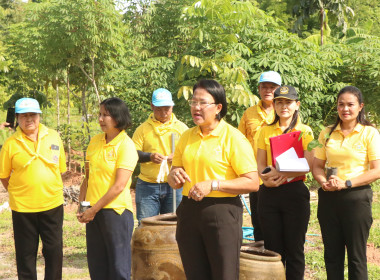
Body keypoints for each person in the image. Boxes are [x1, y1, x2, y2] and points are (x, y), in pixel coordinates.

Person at [168, 79, 259, 280]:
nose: (196, 108)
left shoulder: (233, 138)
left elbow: (252, 182)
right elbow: (175, 173)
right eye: (193, 102)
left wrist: (214, 184)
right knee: (195, 273)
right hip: (189, 211)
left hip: (222, 212)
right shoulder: (186, 136)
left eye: (202, 103)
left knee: (224, 274)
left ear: (218, 107)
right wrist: (173, 176)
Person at [312, 86, 380, 280]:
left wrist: (347, 183)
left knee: (356, 257)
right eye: (341, 105)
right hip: (329, 199)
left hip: (356, 198)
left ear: (360, 107)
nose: (345, 109)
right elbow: (317, 166)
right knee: (332, 255)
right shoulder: (326, 133)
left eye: (350, 104)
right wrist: (324, 182)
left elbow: (377, 170)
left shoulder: (369, 133)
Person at [0, 98, 67, 280]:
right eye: (24, 116)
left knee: (54, 252)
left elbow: (60, 169)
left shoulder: (53, 136)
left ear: (39, 116)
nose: (29, 119)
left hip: (52, 205)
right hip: (23, 208)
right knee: (25, 255)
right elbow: (4, 175)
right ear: (17, 118)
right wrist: (18, 192)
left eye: (32, 115)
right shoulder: (11, 144)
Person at [256, 85, 314, 279]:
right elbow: (260, 165)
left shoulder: (306, 132)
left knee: (295, 249)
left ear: (296, 105)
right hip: (269, 193)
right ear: (274, 105)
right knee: (273, 250)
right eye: (279, 102)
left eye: (288, 102)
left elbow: (309, 164)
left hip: (295, 193)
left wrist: (282, 170)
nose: (284, 106)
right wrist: (266, 179)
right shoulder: (265, 131)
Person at [77, 97, 138, 280]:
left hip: (115, 213)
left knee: (118, 269)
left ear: (118, 117)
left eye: (106, 115)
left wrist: (93, 210)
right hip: (93, 214)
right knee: (98, 267)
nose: (101, 119)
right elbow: (87, 178)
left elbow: (119, 186)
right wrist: (83, 207)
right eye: (100, 114)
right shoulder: (95, 142)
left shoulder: (126, 145)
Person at [132, 88, 188, 224]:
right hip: (147, 186)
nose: (163, 113)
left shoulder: (182, 129)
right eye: (158, 109)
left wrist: (178, 157)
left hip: (175, 184)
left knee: (175, 225)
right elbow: (133, 155)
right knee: (146, 225)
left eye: (167, 109)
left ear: (172, 107)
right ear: (152, 106)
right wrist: (149, 156)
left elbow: (193, 154)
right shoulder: (142, 129)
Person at [238, 70, 281, 241]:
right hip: (256, 174)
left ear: (279, 88)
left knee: (277, 219)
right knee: (258, 218)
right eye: (264, 86)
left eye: (272, 87)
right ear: (259, 88)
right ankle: (260, 254)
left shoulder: (284, 112)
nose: (268, 90)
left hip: (280, 174)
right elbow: (240, 142)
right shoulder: (249, 113)